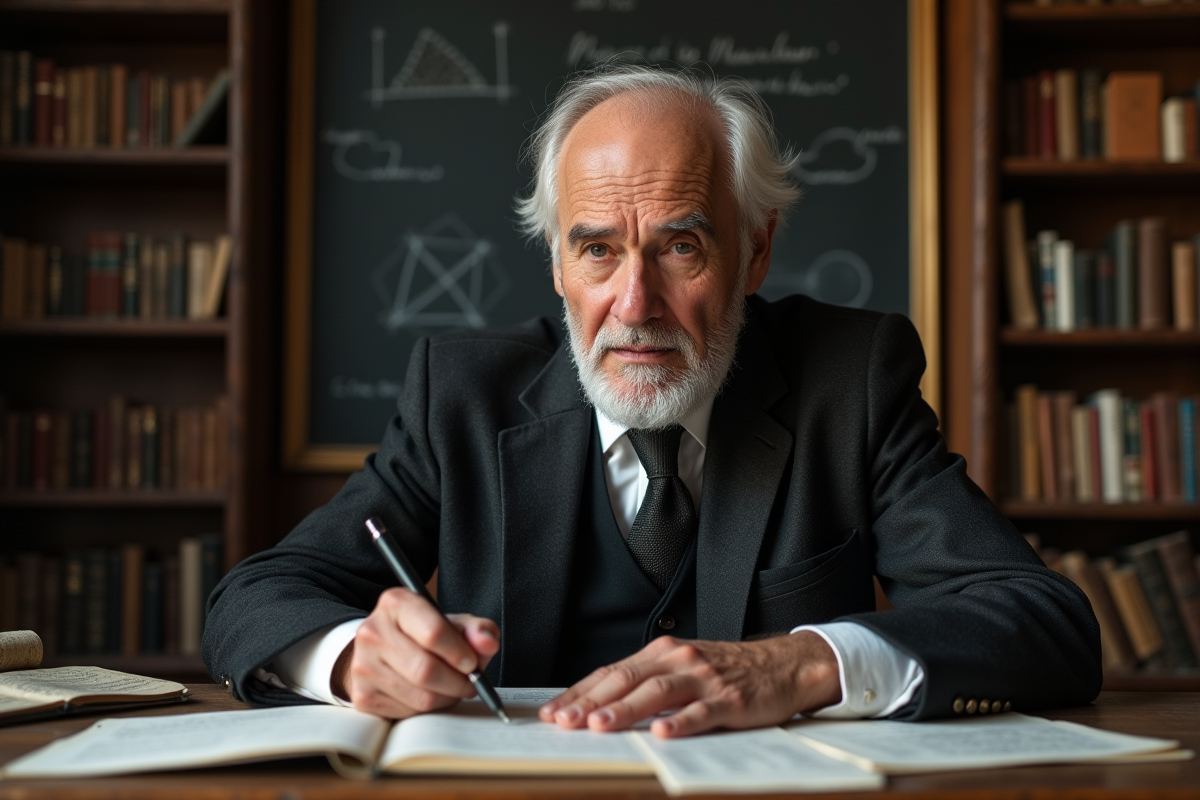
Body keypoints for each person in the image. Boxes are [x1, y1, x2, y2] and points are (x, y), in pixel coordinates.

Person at [203, 64, 1100, 738]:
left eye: (680, 248)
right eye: (597, 250)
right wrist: (352, 658)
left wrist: (799, 664)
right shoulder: (462, 394)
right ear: (557, 264)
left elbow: (1045, 624)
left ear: (755, 252)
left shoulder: (851, 380)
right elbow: (257, 596)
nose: (635, 306)